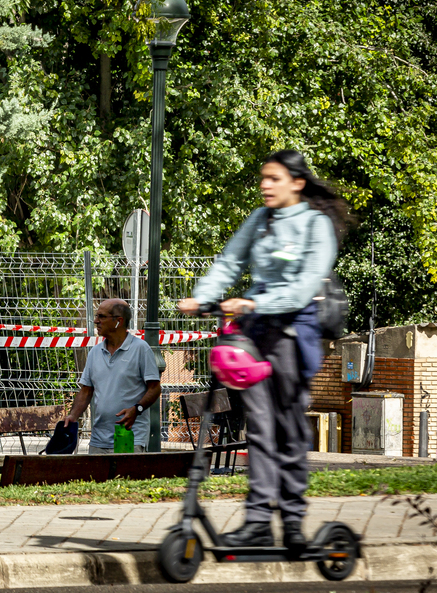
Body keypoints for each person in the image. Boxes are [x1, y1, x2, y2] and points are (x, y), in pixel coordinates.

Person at [177, 149, 350, 548]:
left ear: (297, 183)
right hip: (254, 333)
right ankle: (256, 522)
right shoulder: (259, 219)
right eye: (263, 178)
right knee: (259, 428)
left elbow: (306, 285)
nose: (265, 185)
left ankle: (291, 520)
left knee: (287, 428)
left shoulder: (315, 225)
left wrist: (255, 303)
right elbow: (228, 263)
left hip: (292, 332)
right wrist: (202, 296)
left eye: (274, 178)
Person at [62, 298, 162, 454]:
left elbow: (155, 388)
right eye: (96, 316)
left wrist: (137, 409)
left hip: (129, 435)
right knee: (94, 478)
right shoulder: (95, 352)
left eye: (101, 317)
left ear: (118, 321)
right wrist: (73, 416)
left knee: (126, 478)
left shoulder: (141, 349)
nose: (96, 321)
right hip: (98, 438)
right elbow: (86, 391)